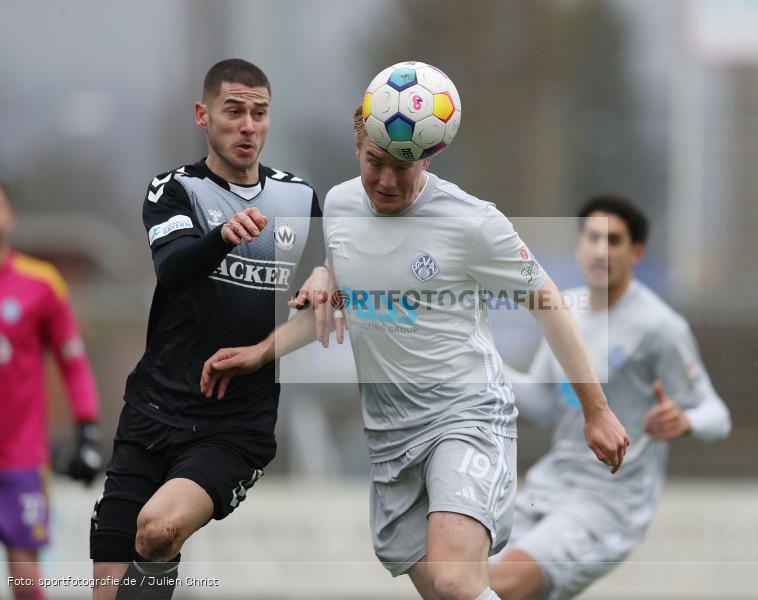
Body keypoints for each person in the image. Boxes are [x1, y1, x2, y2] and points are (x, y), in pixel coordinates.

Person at [199, 106, 630, 600]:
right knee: (453, 594)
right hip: (389, 438)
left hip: (465, 417)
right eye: (373, 162)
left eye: (400, 167)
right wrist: (263, 351)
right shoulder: (340, 205)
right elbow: (341, 300)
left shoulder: (473, 222)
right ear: (356, 150)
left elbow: (548, 303)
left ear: (426, 160)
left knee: (454, 579)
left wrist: (595, 410)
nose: (384, 181)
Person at [88, 59, 337, 600]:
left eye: (259, 113)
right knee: (108, 590)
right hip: (151, 414)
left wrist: (318, 278)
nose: (248, 125)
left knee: (159, 530)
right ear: (204, 116)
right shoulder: (174, 190)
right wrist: (221, 236)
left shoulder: (298, 201)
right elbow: (173, 269)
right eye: (234, 111)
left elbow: (324, 313)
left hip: (234, 427)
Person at [488, 195, 732, 600]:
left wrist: (687, 421)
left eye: (614, 240)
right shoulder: (564, 311)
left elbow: (716, 414)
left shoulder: (659, 327)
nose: (601, 250)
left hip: (608, 505)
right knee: (455, 585)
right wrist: (484, 363)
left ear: (636, 252)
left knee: (500, 587)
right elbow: (547, 407)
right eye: (592, 238)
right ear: (578, 245)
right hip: (547, 489)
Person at [0, 178, 102, 600]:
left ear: (10, 218)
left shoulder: (41, 284)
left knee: (25, 584)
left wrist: (87, 431)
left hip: (21, 462)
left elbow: (73, 365)